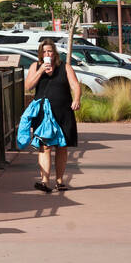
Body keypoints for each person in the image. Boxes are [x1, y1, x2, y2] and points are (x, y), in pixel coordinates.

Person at [24, 39, 81, 193]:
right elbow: (28, 86)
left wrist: (76, 99)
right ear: (40, 54)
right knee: (45, 146)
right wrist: (41, 70)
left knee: (62, 147)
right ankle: (44, 181)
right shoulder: (35, 67)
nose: (47, 54)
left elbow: (75, 85)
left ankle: (60, 181)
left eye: (49, 51)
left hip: (63, 111)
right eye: (44, 51)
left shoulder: (65, 67)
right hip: (43, 113)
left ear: (54, 53)